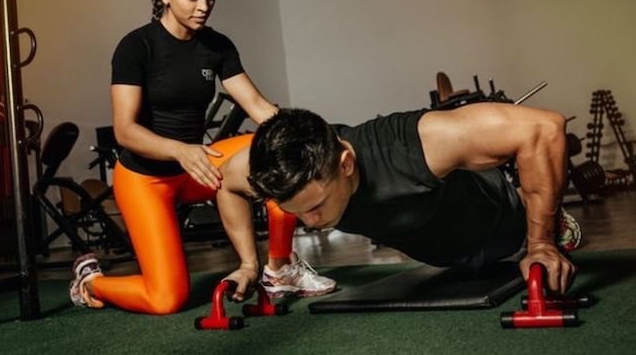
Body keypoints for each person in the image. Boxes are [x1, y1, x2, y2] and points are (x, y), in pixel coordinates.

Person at [68, 0, 335, 314]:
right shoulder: (136, 46)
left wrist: (315, 135)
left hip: (200, 166)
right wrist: (179, 150)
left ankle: (279, 269)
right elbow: (124, 131)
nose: (204, 5)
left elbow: (259, 108)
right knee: (166, 299)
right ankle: (89, 281)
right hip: (146, 179)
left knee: (280, 155)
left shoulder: (216, 45)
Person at [213, 103, 582, 296]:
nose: (310, 222)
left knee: (527, 229)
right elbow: (225, 183)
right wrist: (249, 264)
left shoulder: (417, 144)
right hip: (444, 257)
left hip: (504, 226)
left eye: (315, 207)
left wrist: (541, 244)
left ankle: (553, 224)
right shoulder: (274, 170)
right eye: (298, 213)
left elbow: (544, 127)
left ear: (346, 164)